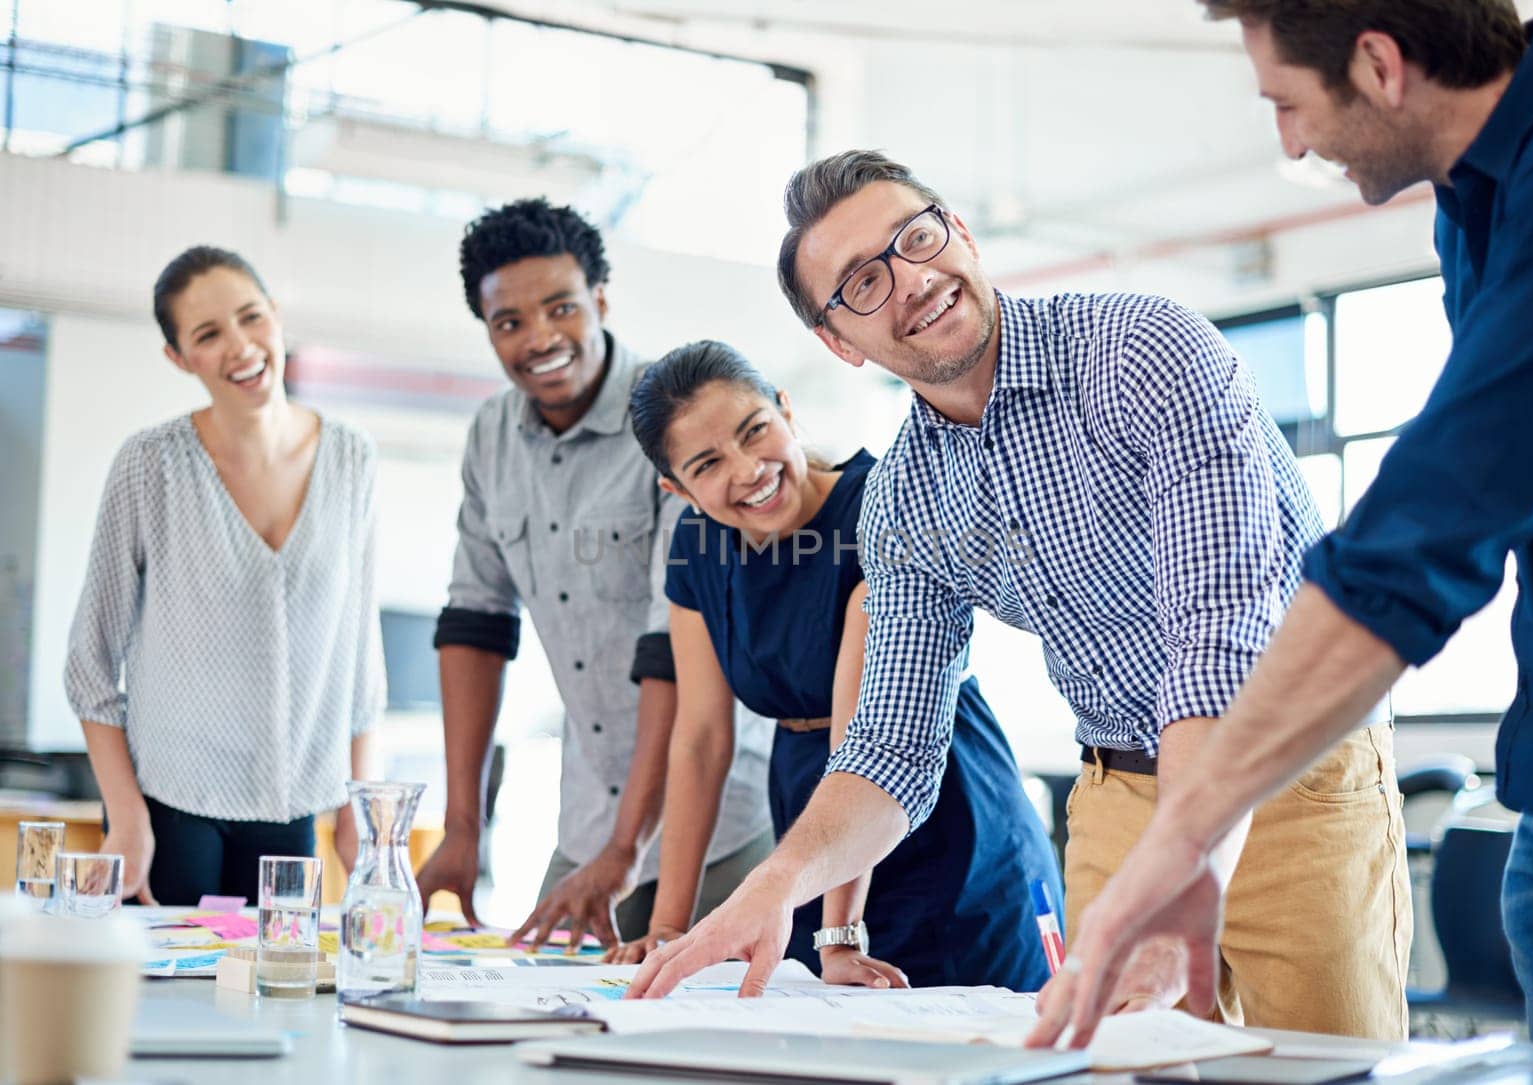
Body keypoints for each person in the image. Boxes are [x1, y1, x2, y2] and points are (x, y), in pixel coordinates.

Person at [628, 151, 1410, 1038]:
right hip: (1119, 790)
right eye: (862, 283)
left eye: (917, 237)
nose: (913, 280)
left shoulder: (1144, 350)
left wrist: (1183, 862)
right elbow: (890, 748)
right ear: (839, 343)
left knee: (1321, 1065)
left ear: (957, 228)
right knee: (1117, 1065)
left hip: (1294, 771)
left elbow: (1221, 626)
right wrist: (773, 889)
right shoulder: (905, 499)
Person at [1036, 0, 1533, 1059]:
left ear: (1379, 65)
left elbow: (1439, 513)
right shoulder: (1475, 201)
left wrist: (1187, 832)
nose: (1291, 142)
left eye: (1286, 105)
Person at [612, 340, 1062, 990]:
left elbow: (866, 745)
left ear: (786, 411)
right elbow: (702, 740)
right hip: (812, 825)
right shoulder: (696, 543)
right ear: (676, 487)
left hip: (942, 815)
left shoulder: (880, 510)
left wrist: (840, 935)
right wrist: (666, 928)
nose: (748, 470)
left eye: (755, 431)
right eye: (708, 463)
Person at [414, 199, 773, 949]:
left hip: (719, 823)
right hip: (586, 820)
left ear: (600, 300)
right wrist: (460, 828)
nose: (538, 339)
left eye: (560, 308)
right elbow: (475, 626)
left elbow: (670, 650)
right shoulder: (491, 437)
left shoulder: (671, 420)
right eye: (508, 323)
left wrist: (627, 849)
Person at [65, 245, 382, 905]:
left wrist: (362, 816)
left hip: (295, 806)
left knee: (282, 998)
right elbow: (90, 666)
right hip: (169, 807)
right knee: (172, 1002)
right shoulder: (151, 465)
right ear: (180, 358)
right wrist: (127, 817)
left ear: (276, 315)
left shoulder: (351, 459)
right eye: (209, 334)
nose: (240, 345)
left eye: (250, 317)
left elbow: (358, 656)